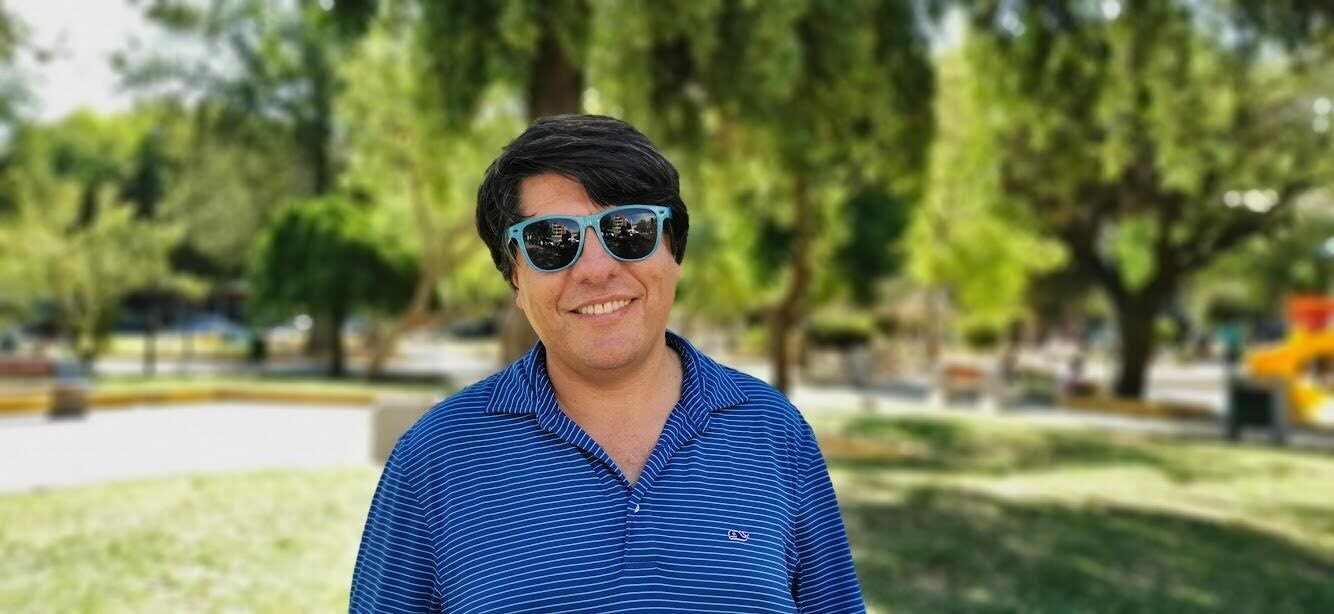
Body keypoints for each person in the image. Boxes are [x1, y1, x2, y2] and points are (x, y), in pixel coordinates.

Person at [349, 115, 865, 613]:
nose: (596, 269)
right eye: (551, 240)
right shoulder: (435, 458)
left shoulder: (774, 431)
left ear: (674, 251)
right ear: (515, 277)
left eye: (629, 229)